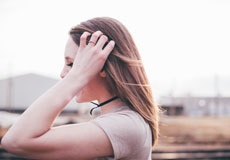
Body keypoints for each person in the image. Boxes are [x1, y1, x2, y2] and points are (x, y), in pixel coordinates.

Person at [1, 17, 159, 160]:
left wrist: (77, 76)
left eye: (72, 63)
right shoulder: (122, 121)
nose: (64, 74)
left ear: (103, 66)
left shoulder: (126, 125)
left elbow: (15, 141)